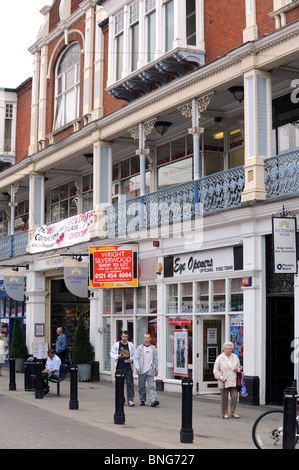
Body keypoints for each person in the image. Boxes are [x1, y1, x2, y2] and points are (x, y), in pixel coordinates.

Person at [213, 341, 241, 419]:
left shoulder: (235, 357)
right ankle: (224, 413)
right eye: (227, 348)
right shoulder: (219, 358)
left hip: (233, 380)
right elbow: (215, 370)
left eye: (230, 349)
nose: (229, 350)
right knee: (224, 398)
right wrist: (220, 377)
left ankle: (233, 411)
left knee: (235, 396)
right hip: (224, 381)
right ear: (224, 349)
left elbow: (240, 367)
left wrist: (237, 369)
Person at [110, 330, 136, 407]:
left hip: (128, 367)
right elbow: (112, 354)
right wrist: (118, 356)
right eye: (123, 336)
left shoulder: (130, 345)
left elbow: (134, 354)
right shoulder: (116, 345)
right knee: (119, 385)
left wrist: (132, 359)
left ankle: (130, 400)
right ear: (121, 336)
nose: (124, 338)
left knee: (130, 384)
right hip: (119, 368)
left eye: (126, 337)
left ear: (128, 337)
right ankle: (121, 399)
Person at [134, 333, 159, 407]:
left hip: (150, 369)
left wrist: (156, 369)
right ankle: (142, 399)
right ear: (143, 339)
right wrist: (137, 367)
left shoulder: (153, 348)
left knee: (151, 386)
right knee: (141, 386)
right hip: (142, 370)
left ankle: (153, 400)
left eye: (148, 338)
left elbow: (155, 360)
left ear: (150, 339)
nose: (147, 339)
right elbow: (136, 358)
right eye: (145, 338)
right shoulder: (140, 348)